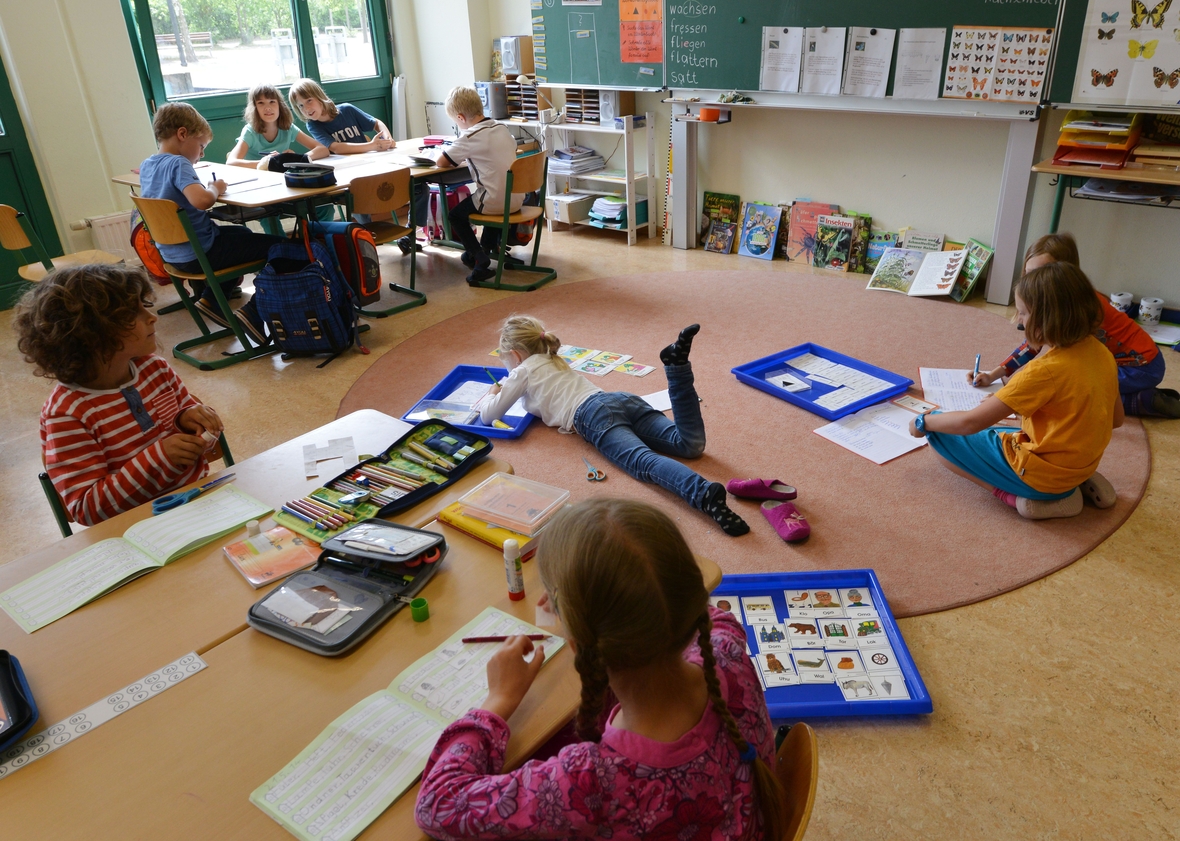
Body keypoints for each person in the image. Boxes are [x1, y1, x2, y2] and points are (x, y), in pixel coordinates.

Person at [415, 498, 785, 840]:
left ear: (577, 644)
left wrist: (499, 699)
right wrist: (578, 607)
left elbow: (439, 803)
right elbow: (693, 607)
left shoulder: (591, 781)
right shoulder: (726, 653)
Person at [481, 316, 748, 535]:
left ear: (514, 354)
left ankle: (704, 495)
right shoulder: (552, 358)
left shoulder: (520, 371)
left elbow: (488, 416)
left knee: (643, 462)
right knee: (688, 445)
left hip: (592, 416)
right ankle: (676, 367)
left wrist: (493, 392)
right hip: (621, 400)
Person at [911, 262, 1124, 520]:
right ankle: (1078, 481)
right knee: (1013, 429)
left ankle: (1020, 498)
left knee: (940, 437)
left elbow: (970, 423)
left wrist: (923, 420)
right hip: (1082, 463)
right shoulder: (1102, 352)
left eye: (1023, 313)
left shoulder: (1044, 371)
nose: (1018, 321)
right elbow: (1116, 420)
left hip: (1042, 476)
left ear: (1046, 318)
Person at [14, 264, 222, 527]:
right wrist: (158, 458)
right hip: (129, 529)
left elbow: (195, 434)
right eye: (133, 313)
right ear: (92, 333)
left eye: (144, 305)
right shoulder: (67, 412)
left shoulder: (155, 368)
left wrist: (192, 421)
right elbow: (85, 509)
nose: (152, 316)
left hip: (194, 502)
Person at [972, 233, 1179, 418]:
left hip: (1143, 367)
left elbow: (1061, 368)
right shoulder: (1061, 302)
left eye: (1042, 273)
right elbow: (1032, 346)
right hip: (1131, 365)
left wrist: (1007, 397)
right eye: (1029, 273)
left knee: (1067, 391)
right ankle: (1142, 394)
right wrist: (994, 374)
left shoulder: (1081, 308)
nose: (1033, 282)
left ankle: (1143, 401)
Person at [139, 102, 286, 345]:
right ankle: (255, 312)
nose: (202, 154)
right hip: (201, 252)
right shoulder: (179, 163)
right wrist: (214, 188)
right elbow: (201, 201)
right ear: (182, 134)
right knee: (282, 247)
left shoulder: (147, 165)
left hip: (173, 255)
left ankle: (212, 300)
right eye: (201, 146)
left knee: (239, 233)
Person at [433, 85, 523, 285]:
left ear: (461, 118)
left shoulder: (469, 136)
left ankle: (480, 258)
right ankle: (481, 251)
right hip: (516, 198)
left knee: (455, 215)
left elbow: (441, 162)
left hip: (495, 200)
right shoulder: (502, 128)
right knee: (490, 199)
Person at [226, 83, 328, 170]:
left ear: (280, 105)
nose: (268, 108)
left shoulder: (288, 128)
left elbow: (322, 149)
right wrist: (267, 162)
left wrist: (293, 158)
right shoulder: (250, 131)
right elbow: (231, 163)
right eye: (261, 103)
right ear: (254, 108)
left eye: (272, 102)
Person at [288, 78, 395, 155]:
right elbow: (336, 148)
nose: (306, 109)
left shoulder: (347, 109)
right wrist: (372, 146)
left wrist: (388, 139)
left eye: (309, 101)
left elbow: (376, 123)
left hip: (366, 157)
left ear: (319, 97)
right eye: (301, 106)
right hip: (345, 167)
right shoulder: (313, 125)